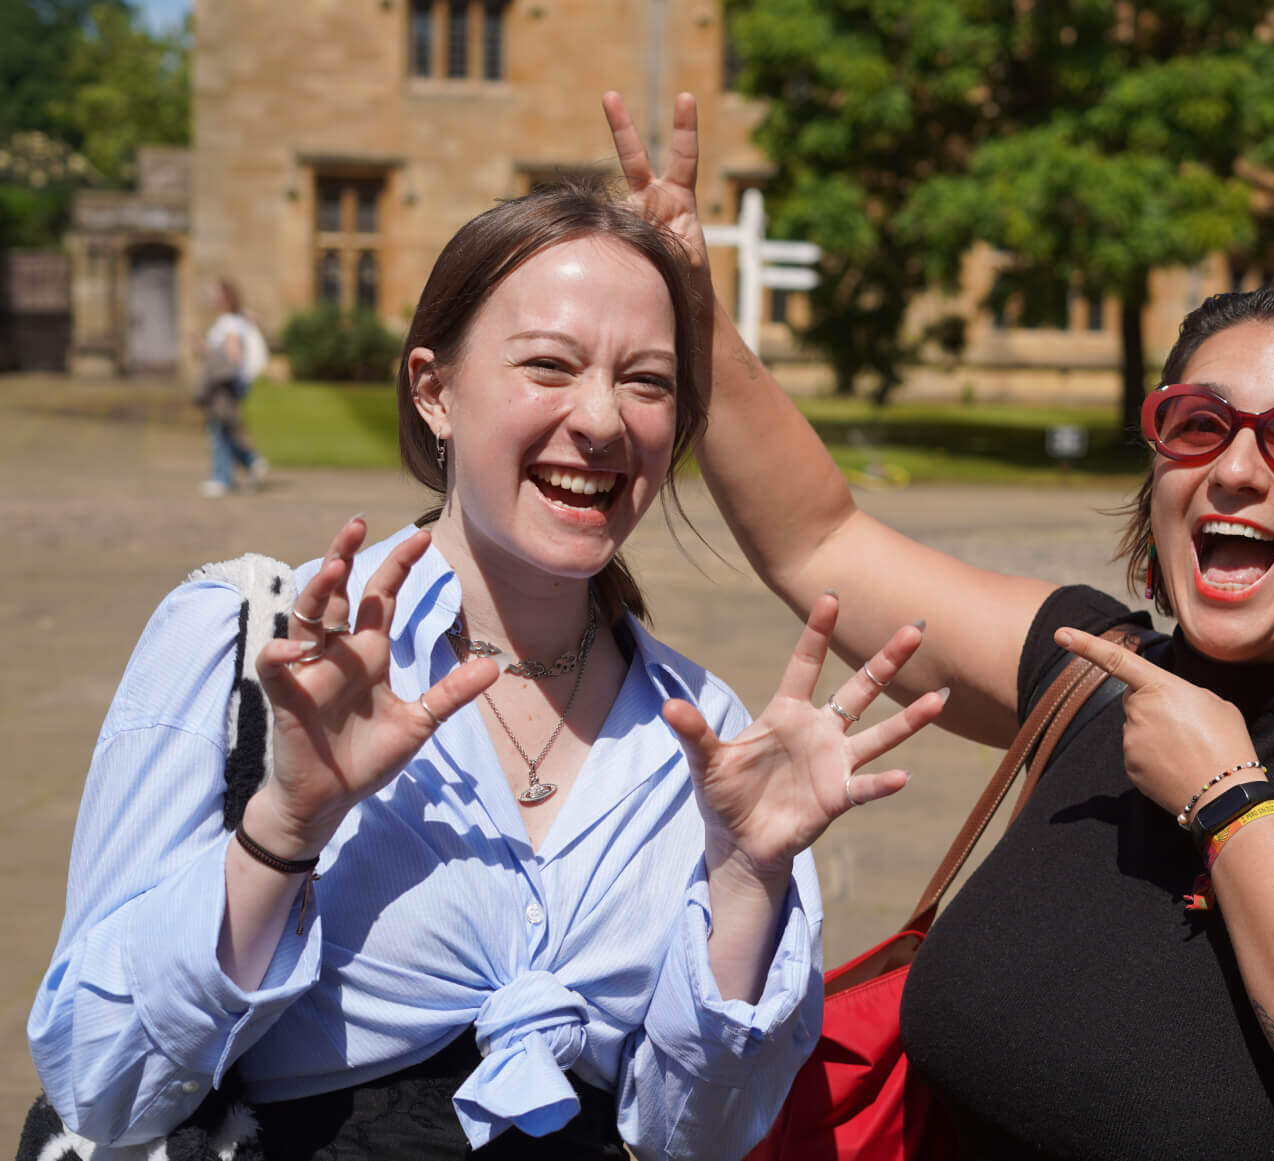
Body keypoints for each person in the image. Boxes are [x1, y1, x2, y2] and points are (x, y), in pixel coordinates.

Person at [608, 95, 1274, 1160]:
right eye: (1196, 426)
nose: (1235, 470)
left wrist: (1231, 803)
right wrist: (696, 310)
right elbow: (818, 540)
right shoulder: (1088, 674)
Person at [28, 170, 945, 1160]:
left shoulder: (703, 732)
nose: (600, 421)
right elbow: (101, 1086)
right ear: (435, 390)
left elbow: (700, 1139)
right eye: (549, 365)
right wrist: (285, 829)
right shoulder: (251, 646)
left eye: (646, 381)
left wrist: (750, 881)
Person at [198, 279, 269, 498]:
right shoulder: (231, 320)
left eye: (214, 294)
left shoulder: (229, 323)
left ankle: (223, 478)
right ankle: (251, 461)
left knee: (218, 430)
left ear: (224, 298)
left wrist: (209, 352)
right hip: (229, 383)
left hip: (224, 385)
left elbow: (234, 354)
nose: (210, 299)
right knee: (223, 430)